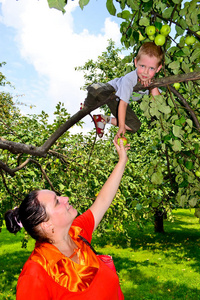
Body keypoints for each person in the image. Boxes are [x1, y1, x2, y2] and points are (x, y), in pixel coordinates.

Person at [5, 139, 130, 300]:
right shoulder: (35, 273)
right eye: (57, 202)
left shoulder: (77, 234)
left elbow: (103, 200)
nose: (65, 198)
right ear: (46, 224)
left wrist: (122, 160)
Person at [83, 42, 163, 141]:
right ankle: (87, 104)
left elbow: (159, 103)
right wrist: (121, 126)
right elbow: (123, 104)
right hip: (112, 91)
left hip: (116, 102)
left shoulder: (152, 83)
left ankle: (103, 119)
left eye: (151, 68)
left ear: (158, 69)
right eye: (142, 66)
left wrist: (152, 86)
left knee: (134, 126)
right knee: (97, 89)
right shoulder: (129, 79)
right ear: (135, 63)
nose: (146, 72)